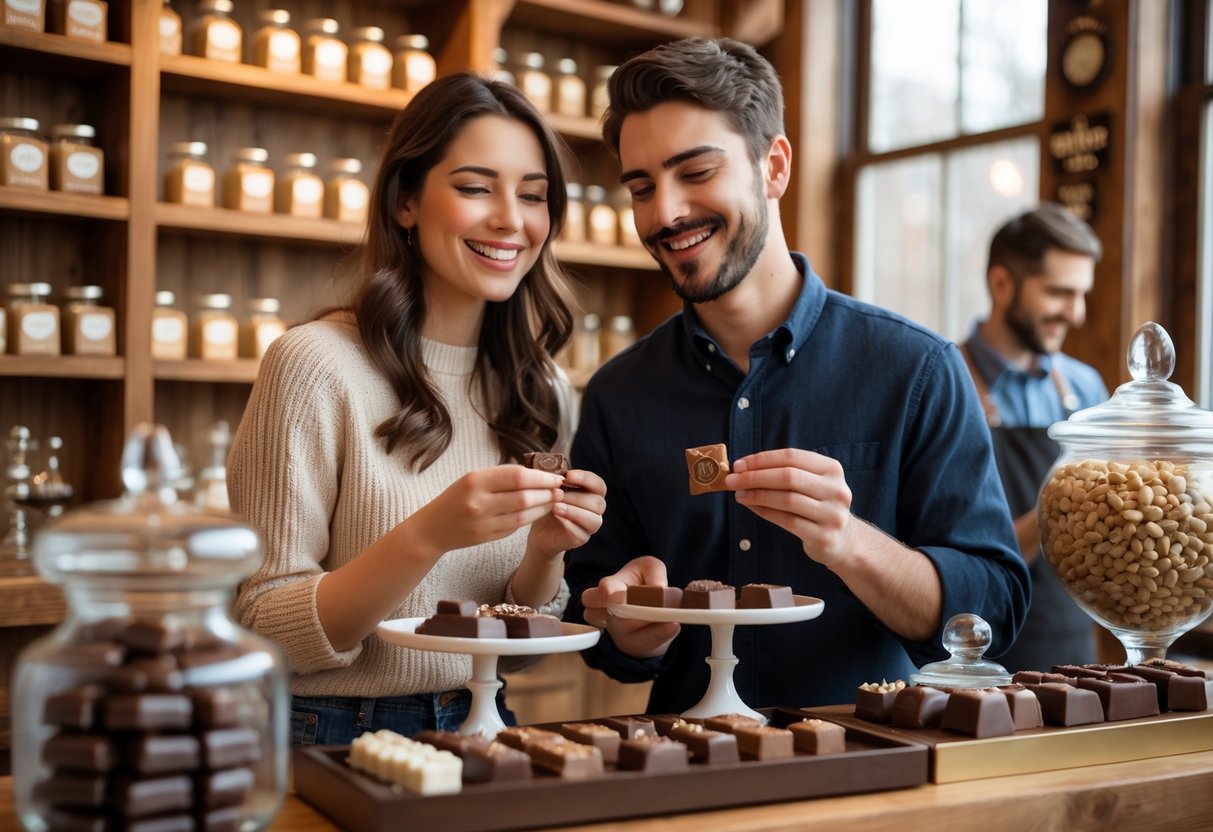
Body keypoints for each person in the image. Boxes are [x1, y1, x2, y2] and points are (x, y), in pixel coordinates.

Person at [565, 37, 1030, 713]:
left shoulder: (916, 370)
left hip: (874, 771)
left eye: (694, 172)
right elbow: (599, 629)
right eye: (641, 186)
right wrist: (633, 631)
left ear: (773, 166)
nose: (663, 212)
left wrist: (849, 543)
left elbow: (992, 613)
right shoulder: (617, 395)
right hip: (679, 778)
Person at [228, 71, 607, 745]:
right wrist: (426, 536)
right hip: (325, 733)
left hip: (484, 722)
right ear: (405, 200)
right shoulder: (314, 364)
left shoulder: (540, 386)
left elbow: (531, 638)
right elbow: (261, 626)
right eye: (473, 187)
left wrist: (545, 554)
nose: (510, 220)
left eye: (533, 196)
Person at [960, 204, 1106, 672]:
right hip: (981, 654)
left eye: (1082, 294)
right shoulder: (945, 384)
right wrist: (1060, 515)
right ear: (1001, 284)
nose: (1076, 313)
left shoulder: (1086, 389)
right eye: (1060, 293)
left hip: (1075, 651)